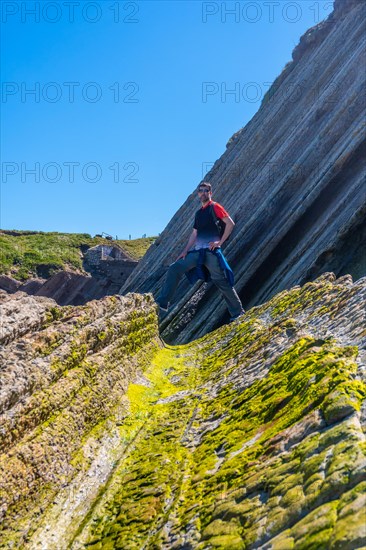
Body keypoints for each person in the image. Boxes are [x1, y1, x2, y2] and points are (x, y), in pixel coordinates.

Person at [157, 182, 245, 322]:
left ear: (210, 193)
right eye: (201, 191)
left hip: (211, 252)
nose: (203, 193)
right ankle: (162, 303)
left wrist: (220, 243)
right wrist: (185, 251)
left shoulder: (215, 207)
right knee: (175, 268)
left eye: (206, 190)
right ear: (198, 194)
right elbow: (194, 233)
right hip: (198, 252)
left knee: (221, 281)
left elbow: (230, 223)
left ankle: (237, 312)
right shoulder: (199, 213)